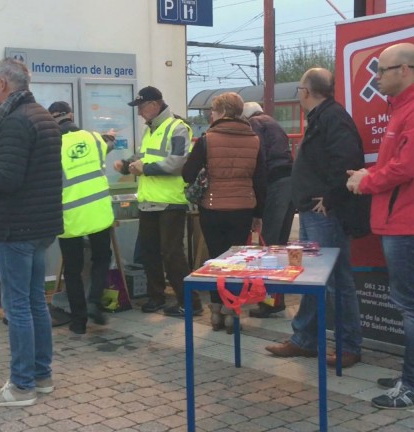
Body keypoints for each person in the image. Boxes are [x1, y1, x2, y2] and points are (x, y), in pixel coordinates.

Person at [347, 43, 414, 409]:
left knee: (412, 304)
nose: (376, 78)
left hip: (408, 221)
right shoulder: (407, 109)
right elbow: (398, 163)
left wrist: (366, 181)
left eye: (382, 71)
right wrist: (368, 173)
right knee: (413, 302)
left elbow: (407, 168)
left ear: (405, 70)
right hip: (400, 219)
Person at [0, 58, 63, 407]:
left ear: (4, 85)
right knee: (37, 300)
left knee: (17, 306)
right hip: (41, 226)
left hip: (17, 227)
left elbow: (7, 179)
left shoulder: (14, 123)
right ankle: (41, 376)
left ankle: (21, 386)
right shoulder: (43, 117)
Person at [265, 68, 364, 369]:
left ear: (306, 92)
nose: (299, 95)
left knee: (336, 279)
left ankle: (348, 346)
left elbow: (347, 161)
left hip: (325, 213)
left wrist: (330, 198)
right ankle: (305, 339)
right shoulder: (322, 117)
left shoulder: (333, 118)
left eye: (299, 89)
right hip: (311, 210)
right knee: (312, 276)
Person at [182, 93, 266, 333]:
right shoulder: (254, 140)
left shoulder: (208, 139)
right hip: (243, 208)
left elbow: (188, 173)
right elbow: (261, 181)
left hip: (213, 208)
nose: (211, 115)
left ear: (220, 112)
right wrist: (258, 214)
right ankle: (234, 312)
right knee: (237, 263)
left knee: (216, 260)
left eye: (212, 110)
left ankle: (217, 312)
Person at [113, 86, 195, 317]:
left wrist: (145, 169)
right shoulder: (151, 130)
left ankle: (190, 302)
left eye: (141, 107)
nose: (139, 113)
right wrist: (127, 162)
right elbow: (144, 156)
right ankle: (156, 297)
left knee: (172, 254)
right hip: (149, 201)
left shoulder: (178, 128)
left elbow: (178, 162)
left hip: (170, 202)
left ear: (154, 105)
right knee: (149, 253)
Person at [48, 101, 115, 335]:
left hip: (70, 215)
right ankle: (95, 300)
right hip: (98, 211)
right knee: (102, 258)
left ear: (52, 119)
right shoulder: (94, 138)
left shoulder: (52, 146)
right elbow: (107, 147)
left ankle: (78, 322)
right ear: (71, 115)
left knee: (73, 270)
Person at [242, 101, 294, 318]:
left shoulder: (255, 123)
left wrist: (257, 204)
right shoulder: (273, 123)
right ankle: (277, 298)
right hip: (290, 183)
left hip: (275, 185)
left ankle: (269, 301)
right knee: (279, 246)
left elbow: (258, 159)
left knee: (269, 246)